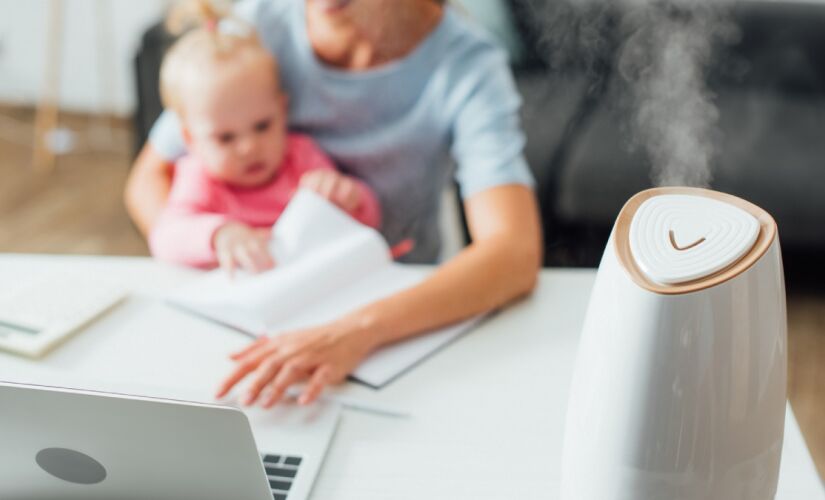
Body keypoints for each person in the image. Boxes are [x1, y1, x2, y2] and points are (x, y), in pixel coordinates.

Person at [125, 0, 543, 408]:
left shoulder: (465, 65)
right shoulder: (258, 26)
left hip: (388, 319)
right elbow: (149, 179)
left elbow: (514, 252)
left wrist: (356, 331)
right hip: (251, 305)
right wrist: (220, 262)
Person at [149, 2, 380, 271]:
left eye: (262, 126)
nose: (249, 147)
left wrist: (350, 197)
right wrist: (220, 235)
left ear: (282, 111)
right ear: (190, 139)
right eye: (225, 138)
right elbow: (165, 237)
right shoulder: (199, 176)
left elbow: (367, 223)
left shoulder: (301, 157)